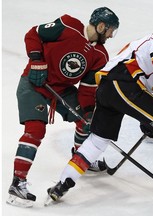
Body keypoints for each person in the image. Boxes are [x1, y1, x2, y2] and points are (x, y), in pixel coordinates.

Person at [46, 24, 153, 202]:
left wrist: (147, 120)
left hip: (108, 88)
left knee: (97, 140)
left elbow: (146, 84)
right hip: (124, 83)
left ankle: (62, 183)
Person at [7, 7, 119, 207]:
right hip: (34, 85)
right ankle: (17, 184)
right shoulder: (68, 25)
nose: (111, 35)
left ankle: (83, 157)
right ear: (101, 26)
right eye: (111, 30)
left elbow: (86, 89)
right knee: (35, 130)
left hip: (61, 90)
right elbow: (33, 33)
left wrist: (87, 111)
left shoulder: (100, 55)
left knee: (87, 123)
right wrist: (36, 60)